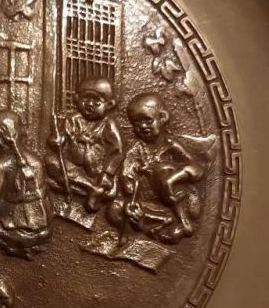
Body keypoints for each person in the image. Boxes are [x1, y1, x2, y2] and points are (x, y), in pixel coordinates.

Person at [109, 92, 206, 243]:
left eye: (148, 120)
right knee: (115, 209)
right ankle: (154, 226)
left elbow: (197, 170)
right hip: (147, 205)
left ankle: (181, 222)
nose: (142, 126)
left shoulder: (171, 146)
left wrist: (171, 180)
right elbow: (128, 179)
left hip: (174, 201)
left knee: (162, 170)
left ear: (162, 117)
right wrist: (131, 202)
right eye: (137, 123)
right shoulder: (135, 151)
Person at [0, 110, 51, 259]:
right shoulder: (37, 162)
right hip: (43, 228)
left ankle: (13, 243)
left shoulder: (1, 166)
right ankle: (22, 246)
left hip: (15, 227)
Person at [45, 76, 123, 212]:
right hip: (73, 167)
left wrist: (108, 174)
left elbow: (117, 152)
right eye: (85, 99)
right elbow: (61, 138)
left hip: (96, 171)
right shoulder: (72, 120)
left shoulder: (107, 125)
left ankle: (90, 188)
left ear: (109, 105)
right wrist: (57, 141)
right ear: (77, 99)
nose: (90, 104)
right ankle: (91, 189)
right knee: (50, 161)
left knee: (103, 185)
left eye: (97, 102)